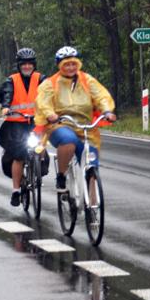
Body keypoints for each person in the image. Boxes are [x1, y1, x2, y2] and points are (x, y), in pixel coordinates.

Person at [35, 46, 116, 196]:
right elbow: (43, 101)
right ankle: (61, 176)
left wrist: (107, 111)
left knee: (92, 166)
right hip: (60, 125)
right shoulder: (50, 83)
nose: (71, 67)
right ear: (60, 65)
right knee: (68, 140)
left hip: (86, 127)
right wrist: (50, 114)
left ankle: (93, 205)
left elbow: (101, 96)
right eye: (66, 64)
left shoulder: (87, 80)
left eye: (73, 64)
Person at [0, 48, 42, 206]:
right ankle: (16, 190)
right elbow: (6, 94)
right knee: (19, 155)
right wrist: (5, 107)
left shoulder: (41, 79)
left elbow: (50, 94)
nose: (27, 66)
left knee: (42, 148)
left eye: (30, 64)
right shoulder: (11, 80)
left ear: (34, 65)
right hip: (16, 123)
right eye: (24, 64)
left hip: (36, 122)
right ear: (19, 65)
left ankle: (38, 169)